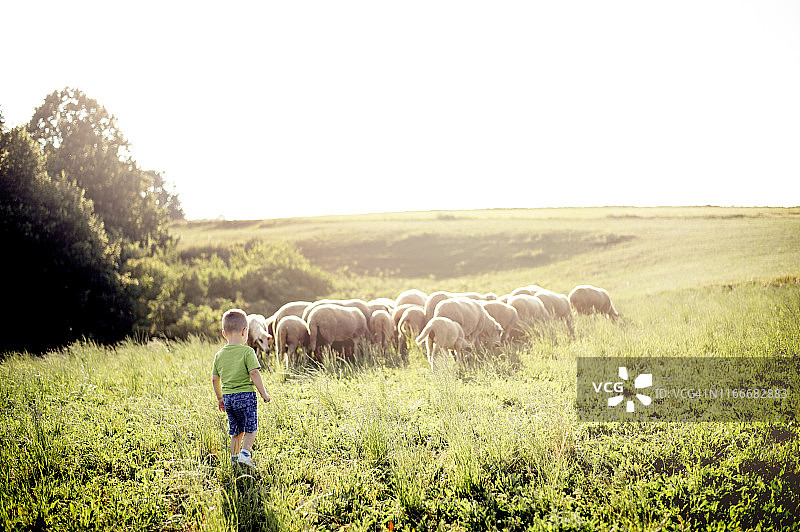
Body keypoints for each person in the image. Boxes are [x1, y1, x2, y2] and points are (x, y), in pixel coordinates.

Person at [212, 308, 271, 467]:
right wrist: (264, 393)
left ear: (224, 333)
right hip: (246, 396)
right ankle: (245, 453)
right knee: (251, 428)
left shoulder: (219, 355)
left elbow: (214, 379)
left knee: (236, 431)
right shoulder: (248, 351)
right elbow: (254, 373)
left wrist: (220, 398)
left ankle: (234, 459)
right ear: (245, 331)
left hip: (228, 398)